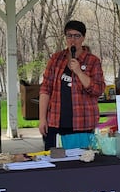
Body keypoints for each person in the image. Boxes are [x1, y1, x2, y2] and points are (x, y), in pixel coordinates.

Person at [38, 20, 105, 150]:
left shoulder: (93, 61)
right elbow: (45, 89)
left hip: (82, 123)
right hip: (56, 121)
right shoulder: (56, 59)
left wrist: (79, 72)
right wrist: (42, 119)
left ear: (83, 38)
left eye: (77, 36)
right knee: (54, 162)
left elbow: (98, 90)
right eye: (69, 35)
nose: (72, 40)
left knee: (80, 164)